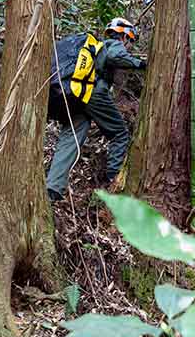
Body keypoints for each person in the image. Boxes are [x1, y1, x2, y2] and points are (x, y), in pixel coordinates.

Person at [45, 17, 146, 202]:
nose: (130, 45)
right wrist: (141, 64)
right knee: (119, 133)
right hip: (92, 93)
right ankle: (113, 178)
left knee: (72, 137)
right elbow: (116, 56)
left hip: (76, 97)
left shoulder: (95, 48)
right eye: (130, 40)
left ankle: (52, 188)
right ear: (124, 36)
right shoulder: (113, 44)